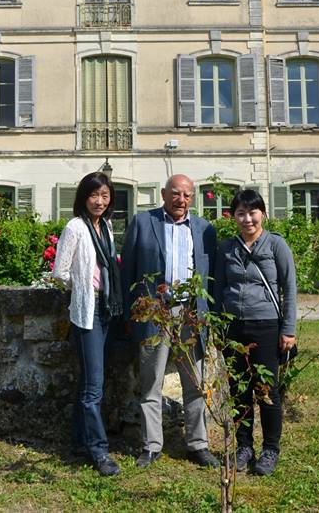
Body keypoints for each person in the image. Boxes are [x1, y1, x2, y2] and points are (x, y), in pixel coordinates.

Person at [121, 174, 219, 469]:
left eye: (187, 195)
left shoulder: (204, 229)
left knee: (195, 382)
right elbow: (127, 272)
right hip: (154, 314)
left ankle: (197, 445)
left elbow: (211, 275)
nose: (181, 200)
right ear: (164, 194)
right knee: (151, 382)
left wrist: (207, 315)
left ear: (193, 198)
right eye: (176, 194)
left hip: (190, 314)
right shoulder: (143, 222)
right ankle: (151, 446)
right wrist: (130, 313)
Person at [213, 189, 297, 477]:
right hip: (235, 326)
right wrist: (218, 325)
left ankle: (270, 450)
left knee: (267, 390)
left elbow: (290, 289)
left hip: (267, 326)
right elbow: (217, 288)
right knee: (239, 389)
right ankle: (244, 446)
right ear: (233, 216)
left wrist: (289, 329)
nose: (247, 219)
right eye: (240, 213)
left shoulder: (276, 245)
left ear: (262, 213)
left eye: (252, 212)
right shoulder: (227, 248)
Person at [51, 171, 126, 477]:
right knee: (93, 386)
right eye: (94, 195)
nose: (99, 201)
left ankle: (79, 441)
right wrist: (86, 286)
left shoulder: (105, 227)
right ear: (84, 197)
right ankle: (99, 451)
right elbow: (60, 271)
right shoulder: (75, 227)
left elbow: (110, 263)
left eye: (105, 196)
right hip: (88, 309)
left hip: (108, 308)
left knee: (89, 381)